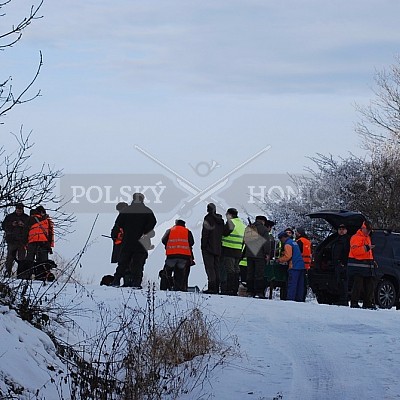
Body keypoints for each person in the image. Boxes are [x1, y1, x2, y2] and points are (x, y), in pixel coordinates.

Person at [110, 193, 157, 288]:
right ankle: (136, 283)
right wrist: (145, 231)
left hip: (127, 242)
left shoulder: (126, 210)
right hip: (141, 243)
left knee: (123, 263)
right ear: (142, 199)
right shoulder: (147, 211)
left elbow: (118, 224)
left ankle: (116, 281)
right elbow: (153, 223)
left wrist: (126, 231)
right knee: (138, 264)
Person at [348, 220, 376, 309]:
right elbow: (355, 251)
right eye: (367, 230)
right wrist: (367, 248)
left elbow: (369, 252)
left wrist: (373, 261)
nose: (369, 232)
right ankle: (354, 303)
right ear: (363, 228)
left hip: (367, 266)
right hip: (358, 266)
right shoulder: (356, 237)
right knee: (358, 285)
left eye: (370, 230)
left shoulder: (367, 237)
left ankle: (368, 303)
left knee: (369, 285)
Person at [161, 219, 194, 292]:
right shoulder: (187, 231)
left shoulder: (170, 230)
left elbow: (163, 240)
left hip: (171, 255)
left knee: (167, 272)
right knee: (180, 274)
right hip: (183, 257)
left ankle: (163, 289)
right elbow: (191, 242)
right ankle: (178, 290)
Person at [220, 208, 246, 295]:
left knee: (229, 270)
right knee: (236, 270)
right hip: (238, 251)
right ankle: (234, 289)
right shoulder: (242, 224)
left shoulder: (231, 222)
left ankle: (229, 289)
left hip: (229, 250)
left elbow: (224, 233)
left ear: (230, 214)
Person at [23, 206, 54, 279]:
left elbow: (25, 232)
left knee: (29, 261)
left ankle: (26, 276)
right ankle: (41, 277)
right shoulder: (47, 221)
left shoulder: (30, 219)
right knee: (43, 262)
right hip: (43, 243)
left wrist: (25, 244)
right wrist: (50, 245)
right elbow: (50, 234)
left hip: (32, 242)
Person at [244, 215, 271, 298]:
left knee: (250, 273)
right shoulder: (264, 229)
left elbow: (245, 241)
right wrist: (267, 253)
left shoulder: (248, 227)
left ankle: (249, 291)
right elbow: (266, 243)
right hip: (259, 255)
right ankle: (259, 292)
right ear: (263, 221)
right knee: (259, 273)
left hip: (249, 254)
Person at [201, 203, 224, 294]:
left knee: (210, 268)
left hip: (209, 248)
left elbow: (205, 233)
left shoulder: (208, 219)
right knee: (216, 268)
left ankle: (212, 287)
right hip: (218, 248)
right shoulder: (221, 221)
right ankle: (217, 288)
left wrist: (203, 246)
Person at [1, 203, 29, 277]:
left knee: (22, 260)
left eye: (20, 210)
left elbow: (30, 229)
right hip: (12, 241)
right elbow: (3, 226)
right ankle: (7, 274)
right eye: (18, 209)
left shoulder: (27, 218)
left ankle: (21, 275)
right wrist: (11, 224)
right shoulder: (9, 217)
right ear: (16, 209)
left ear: (23, 210)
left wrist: (23, 225)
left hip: (22, 242)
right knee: (10, 258)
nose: (19, 211)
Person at [277, 230, 305, 302]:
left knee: (292, 285)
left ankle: (290, 300)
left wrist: (279, 260)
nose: (281, 241)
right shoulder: (294, 242)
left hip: (294, 266)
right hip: (301, 266)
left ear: (283, 238)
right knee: (300, 286)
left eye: (280, 239)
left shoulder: (287, 244)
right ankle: (299, 300)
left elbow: (288, 256)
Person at [331, 223, 350, 306]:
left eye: (343, 229)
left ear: (346, 230)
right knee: (338, 281)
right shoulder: (336, 239)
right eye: (340, 229)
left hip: (343, 264)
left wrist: (343, 262)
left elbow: (347, 252)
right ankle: (339, 298)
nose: (341, 231)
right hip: (336, 264)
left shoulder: (347, 240)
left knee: (343, 282)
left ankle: (344, 300)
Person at [295, 227, 312, 301]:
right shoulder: (308, 241)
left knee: (298, 283)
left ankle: (298, 298)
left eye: (296, 232)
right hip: (307, 265)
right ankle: (302, 298)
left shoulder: (299, 241)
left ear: (299, 233)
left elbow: (296, 253)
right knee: (304, 283)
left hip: (299, 264)